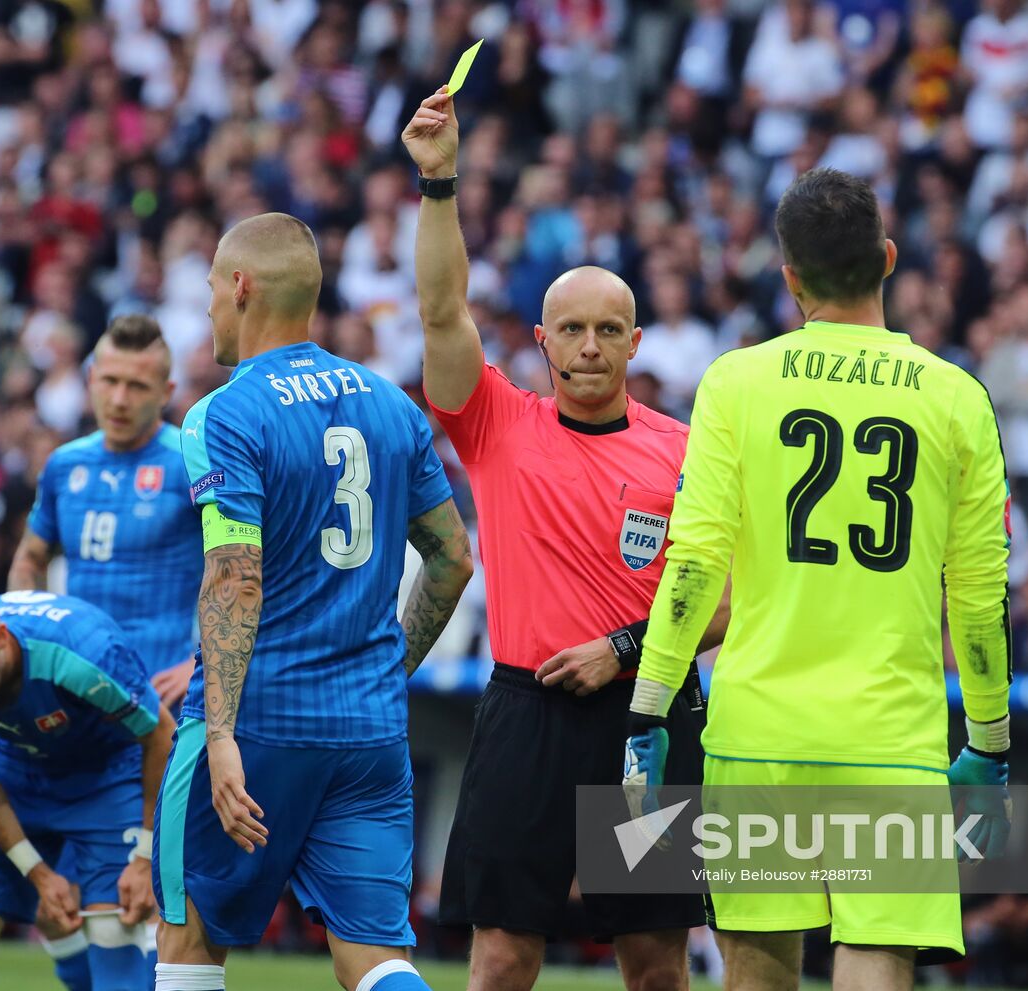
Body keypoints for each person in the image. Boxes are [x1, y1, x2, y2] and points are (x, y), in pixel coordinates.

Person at [622, 167, 1013, 991]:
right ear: (890, 259)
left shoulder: (738, 381)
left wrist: (648, 710)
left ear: (790, 276)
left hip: (758, 729)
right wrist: (988, 741)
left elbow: (692, 566)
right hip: (891, 738)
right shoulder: (958, 398)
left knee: (760, 964)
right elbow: (978, 598)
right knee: (876, 957)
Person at [402, 88, 728, 991]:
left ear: (635, 342)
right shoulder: (498, 424)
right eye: (573, 330)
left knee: (655, 961)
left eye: (608, 330)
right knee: (503, 953)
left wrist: (621, 649)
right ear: (543, 341)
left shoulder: (687, 448)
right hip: (527, 713)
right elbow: (440, 313)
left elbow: (731, 601)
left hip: (650, 718)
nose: (590, 346)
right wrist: (439, 183)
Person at [152, 212, 473, 991]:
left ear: (240, 286)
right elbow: (452, 560)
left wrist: (220, 730)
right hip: (367, 729)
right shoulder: (390, 403)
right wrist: (387, 672)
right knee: (374, 956)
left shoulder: (224, 413)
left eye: (208, 293)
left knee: (189, 944)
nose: (205, 312)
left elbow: (235, 575)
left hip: (259, 721)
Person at [0, 564, 177, 991]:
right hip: (12, 772)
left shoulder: (83, 652)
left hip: (107, 776)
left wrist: (143, 854)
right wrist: (38, 873)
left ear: (1, 639)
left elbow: (159, 735)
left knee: (114, 943)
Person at [9, 314, 203, 709]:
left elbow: (249, 568)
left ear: (166, 392)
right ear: (90, 379)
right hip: (82, 687)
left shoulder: (192, 463)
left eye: (136, 386)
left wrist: (204, 664)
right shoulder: (63, 465)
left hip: (165, 695)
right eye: (110, 381)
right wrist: (30, 640)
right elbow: (29, 559)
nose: (118, 400)